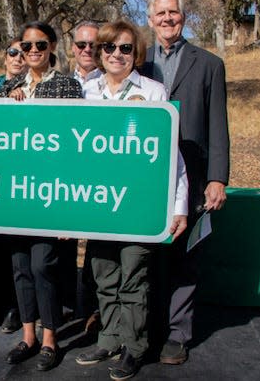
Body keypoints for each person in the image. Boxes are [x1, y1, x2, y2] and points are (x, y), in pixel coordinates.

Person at [76, 20, 189, 380]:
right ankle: (108, 337)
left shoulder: (155, 91)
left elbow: (173, 156)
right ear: (99, 52)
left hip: (138, 205)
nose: (116, 55)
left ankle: (134, 347)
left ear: (135, 53)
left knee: (133, 277)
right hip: (97, 203)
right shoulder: (85, 90)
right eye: (109, 48)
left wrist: (179, 206)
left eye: (125, 48)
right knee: (103, 274)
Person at [141, 0, 230, 365]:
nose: (167, 19)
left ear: (183, 16)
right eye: (160, 13)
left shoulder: (208, 63)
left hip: (191, 175)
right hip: (145, 176)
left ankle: (178, 334)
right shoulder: (135, 59)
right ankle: (147, 327)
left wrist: (217, 177)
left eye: (173, 12)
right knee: (146, 256)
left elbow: (218, 124)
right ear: (149, 19)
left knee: (185, 256)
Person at [0, 21, 82, 372]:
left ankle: (50, 339)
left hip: (49, 191)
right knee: (20, 267)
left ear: (52, 48)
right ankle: (28, 336)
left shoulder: (68, 86)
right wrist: (8, 101)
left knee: (42, 265)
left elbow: (73, 142)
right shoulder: (9, 86)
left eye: (40, 45)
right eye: (26, 46)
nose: (32, 51)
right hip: (16, 191)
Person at [0, 37, 27, 334]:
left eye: (24, 52)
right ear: (4, 56)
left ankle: (14, 307)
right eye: (13, 52)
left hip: (21, 179)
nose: (19, 57)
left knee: (16, 250)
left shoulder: (33, 86)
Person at [71, 20, 102, 86]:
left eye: (93, 45)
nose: (87, 50)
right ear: (73, 47)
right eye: (81, 45)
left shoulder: (112, 82)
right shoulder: (63, 83)